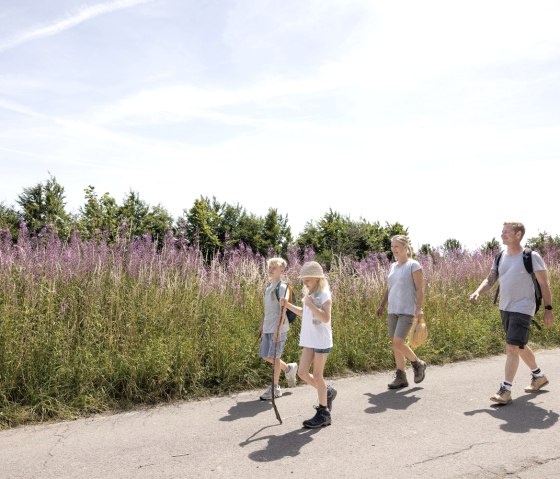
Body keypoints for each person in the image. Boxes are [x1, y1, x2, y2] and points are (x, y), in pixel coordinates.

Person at [470, 222, 554, 404]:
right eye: (502, 231)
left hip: (524, 307)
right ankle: (539, 377)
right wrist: (478, 291)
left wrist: (548, 309)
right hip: (505, 307)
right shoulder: (500, 257)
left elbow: (544, 284)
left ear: (518, 234)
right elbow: (491, 278)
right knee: (520, 346)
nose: (502, 235)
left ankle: (505, 390)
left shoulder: (531, 256)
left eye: (506, 232)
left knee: (512, 347)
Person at [281, 261, 337, 428]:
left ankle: (324, 412)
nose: (305, 282)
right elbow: (304, 312)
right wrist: (288, 305)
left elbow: (326, 318)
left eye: (308, 280)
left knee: (318, 375)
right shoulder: (309, 296)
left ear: (318, 279)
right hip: (309, 340)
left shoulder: (324, 296)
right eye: (304, 280)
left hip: (321, 340)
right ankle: (326, 392)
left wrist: (311, 305)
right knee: (303, 372)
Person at [376, 235, 427, 389]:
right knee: (395, 344)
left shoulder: (413, 265)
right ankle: (401, 377)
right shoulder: (392, 266)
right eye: (392, 246)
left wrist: (419, 307)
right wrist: (382, 305)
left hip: (407, 310)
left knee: (398, 342)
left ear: (405, 247)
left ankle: (417, 363)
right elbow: (390, 288)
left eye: (396, 246)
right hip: (393, 309)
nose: (394, 249)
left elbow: (420, 288)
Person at [258, 257, 298, 401]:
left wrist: (278, 330)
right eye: (270, 266)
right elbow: (268, 310)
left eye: (274, 267)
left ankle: (275, 389)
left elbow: (283, 308)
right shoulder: (269, 287)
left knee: (275, 357)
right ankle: (288, 368)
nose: (270, 269)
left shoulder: (282, 287)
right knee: (265, 355)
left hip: (278, 328)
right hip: (268, 327)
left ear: (282, 270)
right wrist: (262, 325)